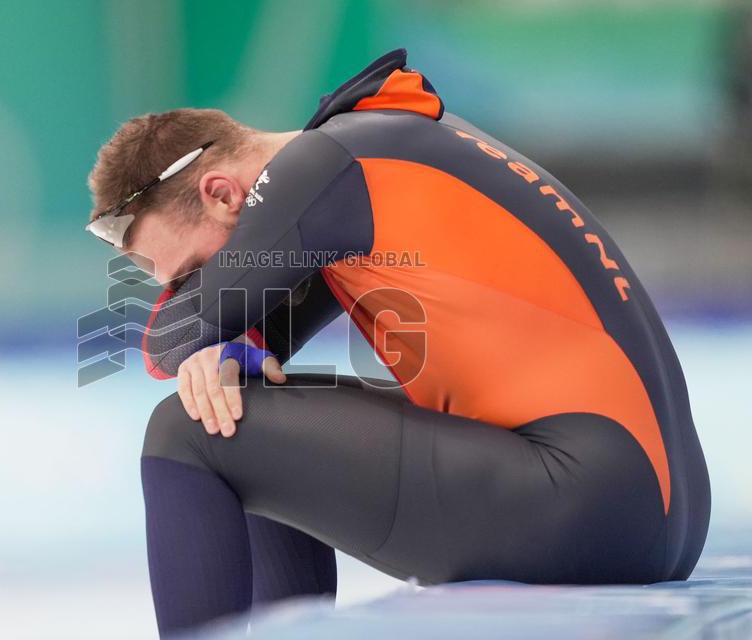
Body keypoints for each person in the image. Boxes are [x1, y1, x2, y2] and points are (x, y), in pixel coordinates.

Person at [86, 49, 711, 637]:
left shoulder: (322, 168)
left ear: (222, 193)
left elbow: (169, 341)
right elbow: (252, 327)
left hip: (580, 500)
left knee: (187, 431)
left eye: (187, 271)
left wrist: (213, 338)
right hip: (642, 508)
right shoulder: (366, 156)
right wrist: (228, 348)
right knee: (245, 407)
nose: (181, 286)